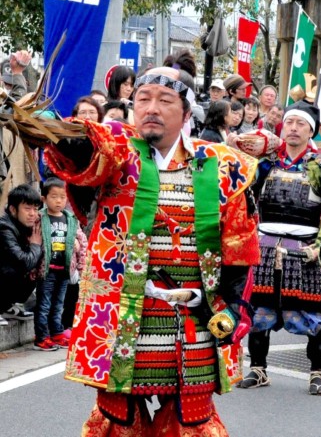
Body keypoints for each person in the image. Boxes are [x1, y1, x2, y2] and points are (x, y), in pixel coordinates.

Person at [45, 66, 260, 434]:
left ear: (187, 112)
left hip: (193, 318)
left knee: (192, 420)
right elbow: (86, 147)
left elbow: (239, 248)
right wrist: (49, 127)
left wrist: (233, 308)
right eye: (142, 99)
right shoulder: (118, 150)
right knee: (117, 421)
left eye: (165, 100)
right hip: (121, 319)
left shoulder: (222, 164)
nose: (151, 108)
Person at [238, 101, 321, 394]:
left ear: (312, 131)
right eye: (290, 122)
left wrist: (320, 244)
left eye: (301, 124)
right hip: (266, 246)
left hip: (305, 248)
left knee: (314, 313)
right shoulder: (266, 163)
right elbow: (246, 197)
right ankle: (258, 369)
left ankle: (318, 372)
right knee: (259, 310)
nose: (294, 128)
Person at [33, 178, 86, 351]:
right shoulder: (40, 218)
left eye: (62, 197)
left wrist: (81, 266)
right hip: (46, 269)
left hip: (64, 269)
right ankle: (41, 337)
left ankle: (57, 333)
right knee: (44, 304)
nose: (58, 201)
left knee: (58, 304)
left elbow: (82, 241)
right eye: (54, 196)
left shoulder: (70, 219)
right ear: (44, 199)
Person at [0, 183, 42, 327]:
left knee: (38, 270)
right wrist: (35, 246)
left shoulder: (27, 226)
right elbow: (23, 262)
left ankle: (6, 307)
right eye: (27, 208)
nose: (32, 213)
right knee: (15, 268)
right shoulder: (4, 228)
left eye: (35, 209)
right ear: (13, 209)